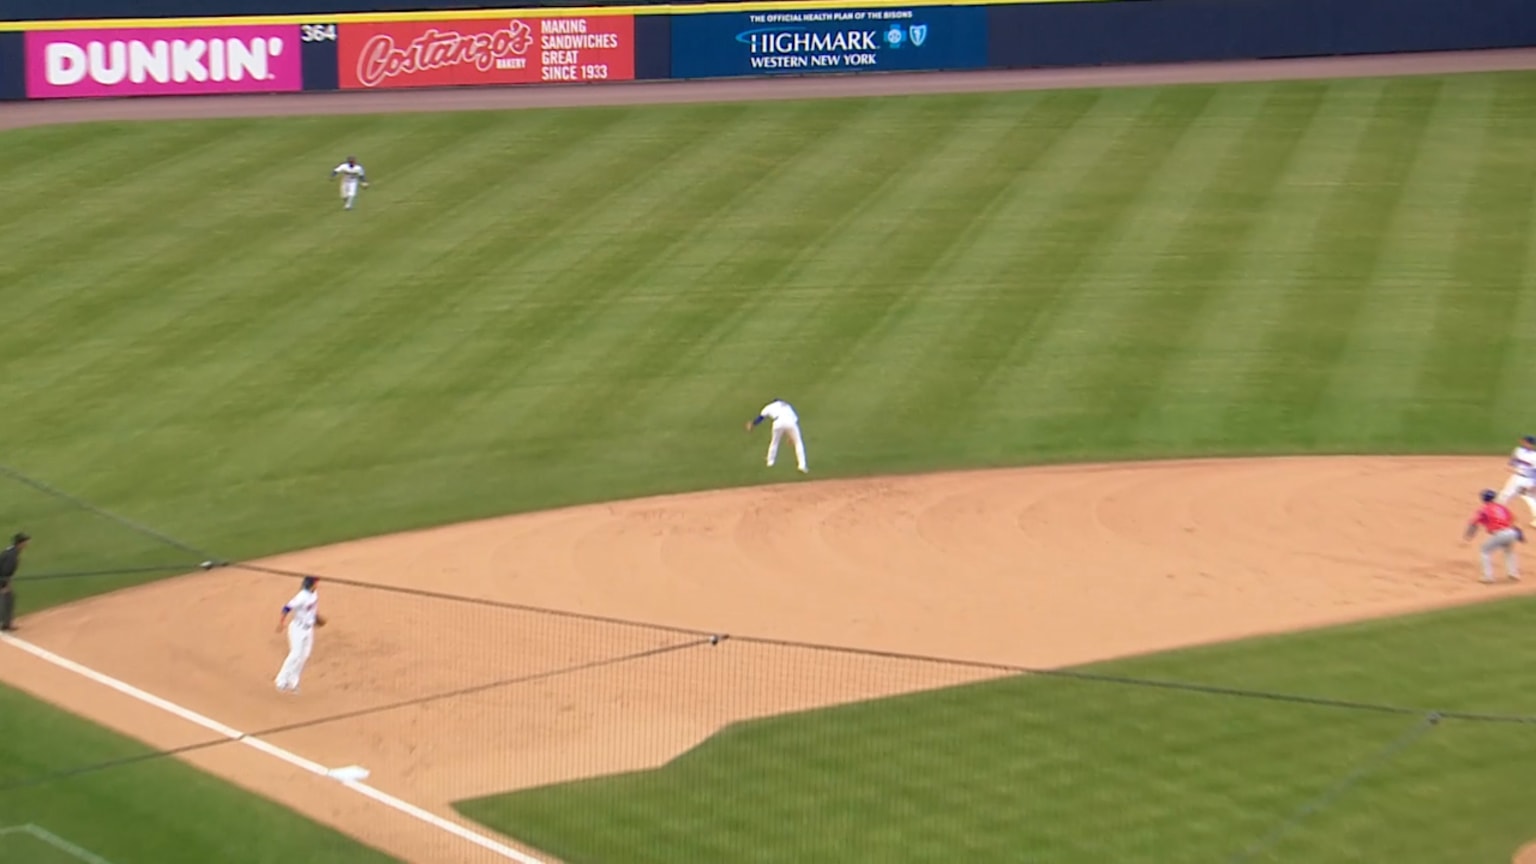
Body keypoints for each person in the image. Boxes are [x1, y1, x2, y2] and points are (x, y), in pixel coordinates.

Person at [274, 576, 326, 693]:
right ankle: (281, 680)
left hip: (308, 629)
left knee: (305, 655)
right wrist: (281, 623)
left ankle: (293, 681)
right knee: (295, 654)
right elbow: (286, 608)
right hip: (297, 629)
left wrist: (316, 618)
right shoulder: (301, 597)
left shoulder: (314, 594)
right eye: (316, 583)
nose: (317, 584)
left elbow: (312, 609)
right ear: (311, 585)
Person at [1465, 489, 1524, 584]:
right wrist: (1519, 534)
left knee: (1484, 551)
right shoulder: (1502, 507)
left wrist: (1469, 535)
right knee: (1509, 551)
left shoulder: (1484, 510)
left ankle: (1488, 576)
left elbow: (1473, 523)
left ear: (1483, 499)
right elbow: (1514, 520)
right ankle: (1514, 573)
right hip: (1511, 532)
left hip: (1499, 533)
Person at [745, 399, 808, 473]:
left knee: (774, 442)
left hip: (777, 422)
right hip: (791, 423)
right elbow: (793, 420)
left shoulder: (770, 406)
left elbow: (761, 417)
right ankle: (802, 466)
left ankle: (770, 462)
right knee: (798, 443)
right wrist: (790, 436)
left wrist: (753, 424)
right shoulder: (787, 406)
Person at [1496, 435, 1536, 525]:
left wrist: (1534, 484)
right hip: (1516, 477)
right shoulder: (1518, 450)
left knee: (1531, 498)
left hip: (1528, 480)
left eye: (1529, 443)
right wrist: (1510, 465)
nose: (1526, 444)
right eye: (1525, 442)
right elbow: (1513, 460)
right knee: (1505, 494)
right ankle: (1497, 514)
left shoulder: (1535, 456)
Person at [0, 533, 27, 632]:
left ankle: (6, 624)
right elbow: (5, 571)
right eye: (25, 542)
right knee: (6, 599)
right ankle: (5, 624)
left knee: (9, 598)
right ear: (20, 543)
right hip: (1, 579)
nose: (27, 544)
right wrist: (4, 586)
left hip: (2, 578)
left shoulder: (11, 550)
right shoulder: (13, 555)